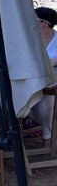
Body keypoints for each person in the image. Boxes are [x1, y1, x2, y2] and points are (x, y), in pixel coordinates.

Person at [29, 7, 57, 146]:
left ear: (44, 23)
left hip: (52, 84)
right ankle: (49, 135)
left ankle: (48, 138)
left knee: (44, 101)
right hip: (33, 81)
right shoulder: (31, 40)